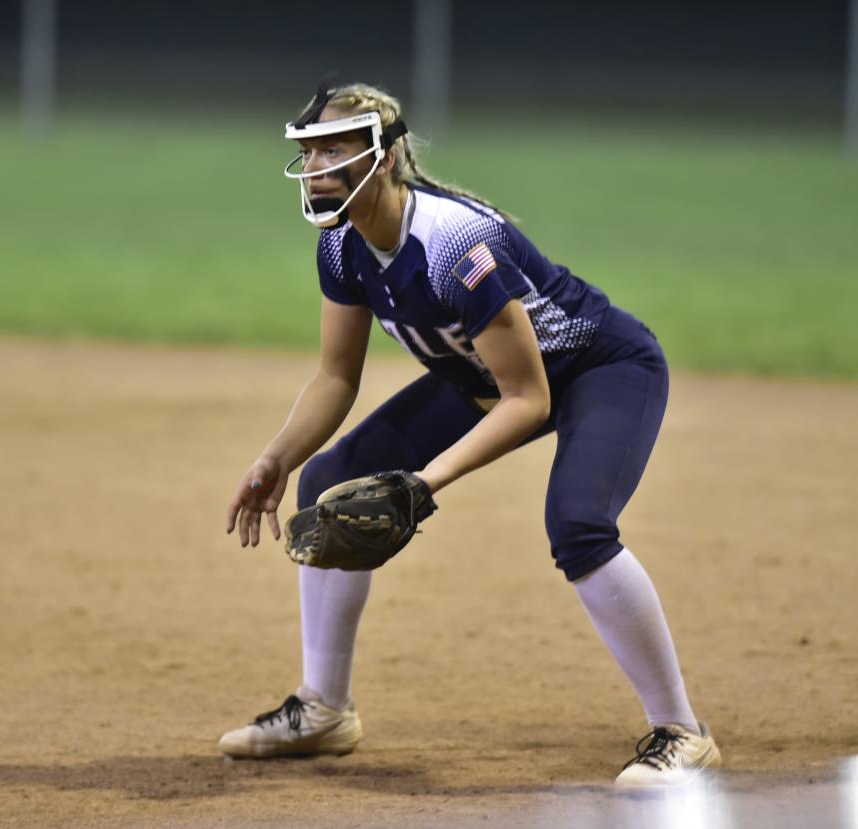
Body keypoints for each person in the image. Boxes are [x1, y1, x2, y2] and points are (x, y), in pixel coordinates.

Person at [221, 80, 723, 789]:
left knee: (578, 524)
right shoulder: (342, 248)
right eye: (310, 151)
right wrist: (277, 456)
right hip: (486, 378)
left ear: (386, 157)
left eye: (336, 148)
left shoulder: (458, 243)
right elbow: (336, 376)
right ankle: (324, 708)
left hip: (597, 367)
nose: (317, 165)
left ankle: (682, 729)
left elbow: (528, 397)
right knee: (327, 482)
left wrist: (423, 483)